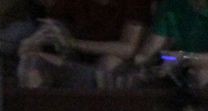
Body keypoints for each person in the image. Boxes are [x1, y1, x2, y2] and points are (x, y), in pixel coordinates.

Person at [16, 0, 149, 89]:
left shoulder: (135, 3)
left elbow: (128, 48)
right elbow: (52, 24)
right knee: (32, 61)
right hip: (73, 58)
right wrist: (32, 42)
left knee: (109, 63)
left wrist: (73, 43)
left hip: (112, 65)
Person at [128, 0, 208, 90]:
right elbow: (150, 53)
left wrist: (184, 57)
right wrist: (152, 63)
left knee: (202, 75)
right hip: (175, 62)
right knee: (123, 70)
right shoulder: (171, 4)